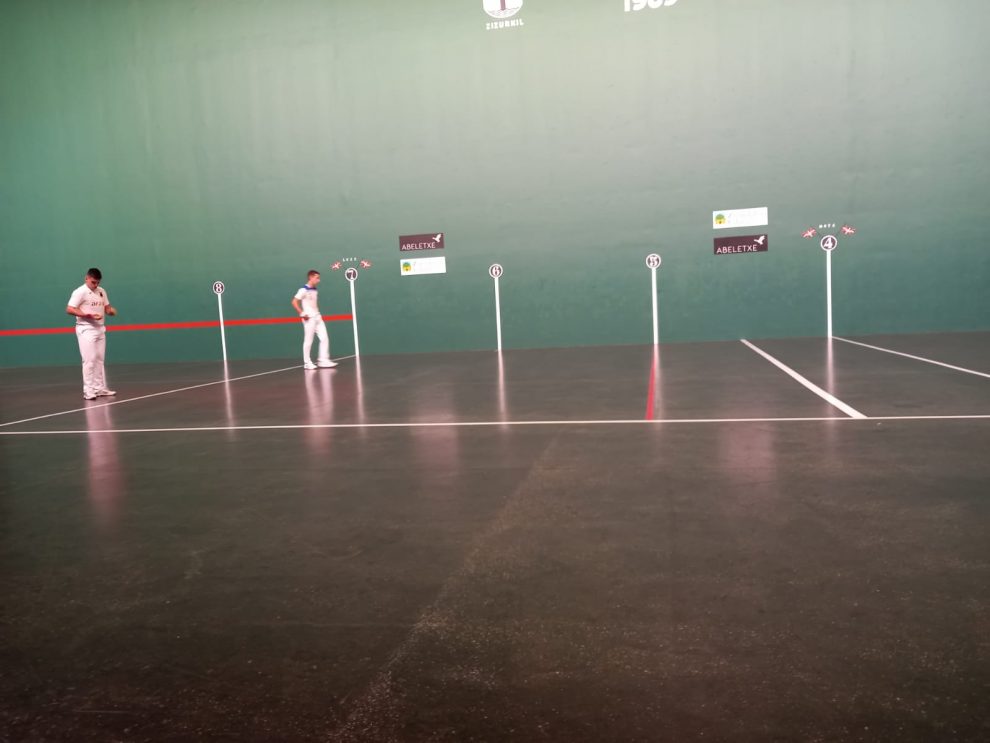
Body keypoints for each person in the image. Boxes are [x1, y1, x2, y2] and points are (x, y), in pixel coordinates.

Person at [66, 268, 117, 400]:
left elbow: (107, 308)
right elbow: (69, 309)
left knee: (99, 359)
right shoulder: (80, 292)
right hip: (86, 329)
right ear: (86, 278)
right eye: (93, 282)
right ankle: (88, 391)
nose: (96, 285)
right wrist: (86, 315)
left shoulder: (102, 291)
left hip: (100, 329)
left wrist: (111, 311)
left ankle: (99, 388)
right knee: (89, 360)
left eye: (98, 282)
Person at [291, 270, 337, 370]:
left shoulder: (315, 289)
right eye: (317, 278)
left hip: (317, 317)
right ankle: (307, 363)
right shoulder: (303, 290)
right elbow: (294, 302)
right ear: (311, 277)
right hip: (309, 318)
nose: (319, 280)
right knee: (308, 341)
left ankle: (323, 361)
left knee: (324, 338)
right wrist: (302, 313)